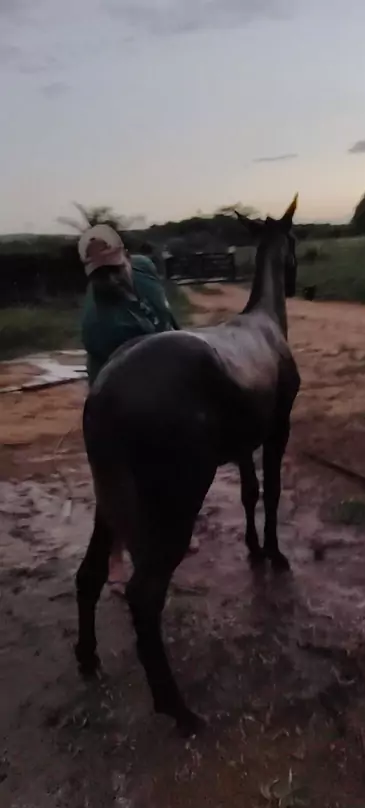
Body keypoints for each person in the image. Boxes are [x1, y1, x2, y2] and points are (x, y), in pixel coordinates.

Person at [78, 224, 182, 593]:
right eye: (100, 273)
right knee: (119, 479)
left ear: (125, 255)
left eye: (113, 266)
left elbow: (166, 318)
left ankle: (165, 533)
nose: (110, 277)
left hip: (164, 381)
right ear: (91, 275)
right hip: (118, 396)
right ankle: (115, 555)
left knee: (168, 468)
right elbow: (141, 366)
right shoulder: (99, 323)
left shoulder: (144, 268)